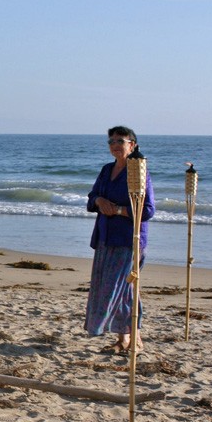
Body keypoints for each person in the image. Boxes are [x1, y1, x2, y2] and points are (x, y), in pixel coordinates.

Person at [84, 125, 155, 353]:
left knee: (124, 289)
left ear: (132, 145)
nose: (115, 145)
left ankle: (135, 338)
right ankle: (124, 339)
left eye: (120, 141)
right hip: (105, 236)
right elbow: (92, 196)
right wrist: (98, 202)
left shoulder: (138, 172)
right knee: (111, 289)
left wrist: (117, 210)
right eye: (111, 141)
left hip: (128, 240)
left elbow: (147, 210)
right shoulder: (107, 170)